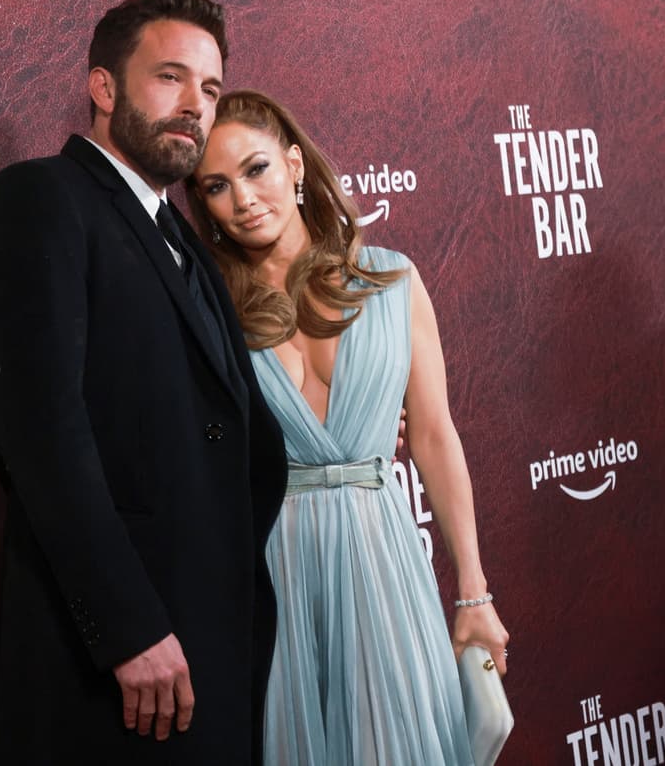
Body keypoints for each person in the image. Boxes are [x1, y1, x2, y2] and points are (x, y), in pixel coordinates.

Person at [0, 0, 288, 764]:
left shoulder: (179, 232)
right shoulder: (39, 200)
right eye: (170, 78)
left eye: (208, 90)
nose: (193, 107)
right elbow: (45, 440)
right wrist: (127, 625)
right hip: (115, 663)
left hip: (209, 644)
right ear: (103, 88)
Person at [186, 89, 510, 765]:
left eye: (256, 170)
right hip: (276, 573)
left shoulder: (392, 281)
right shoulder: (210, 315)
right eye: (216, 186)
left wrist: (473, 590)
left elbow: (433, 437)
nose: (243, 200)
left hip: (383, 560)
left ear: (295, 164)